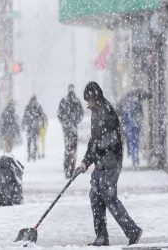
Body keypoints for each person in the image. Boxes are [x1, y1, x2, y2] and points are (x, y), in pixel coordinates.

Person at [78, 81, 142, 246]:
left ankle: (132, 230)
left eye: (89, 99)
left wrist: (91, 157)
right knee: (95, 196)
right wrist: (86, 161)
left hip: (111, 162)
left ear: (95, 97)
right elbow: (94, 141)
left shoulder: (106, 112)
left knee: (109, 197)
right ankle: (101, 236)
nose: (87, 103)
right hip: (101, 163)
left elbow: (106, 141)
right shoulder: (97, 112)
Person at [57, 84, 84, 178]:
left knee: (68, 148)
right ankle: (70, 168)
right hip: (72, 127)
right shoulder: (76, 101)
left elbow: (59, 114)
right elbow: (81, 113)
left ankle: (67, 168)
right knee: (73, 149)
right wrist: (75, 121)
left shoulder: (64, 101)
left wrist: (64, 122)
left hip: (68, 128)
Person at [22, 95, 45, 162]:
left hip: (29, 126)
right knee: (35, 141)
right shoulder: (38, 106)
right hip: (36, 126)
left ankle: (29, 155)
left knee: (29, 141)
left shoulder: (28, 106)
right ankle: (34, 155)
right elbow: (42, 115)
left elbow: (24, 116)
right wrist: (42, 124)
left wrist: (23, 124)